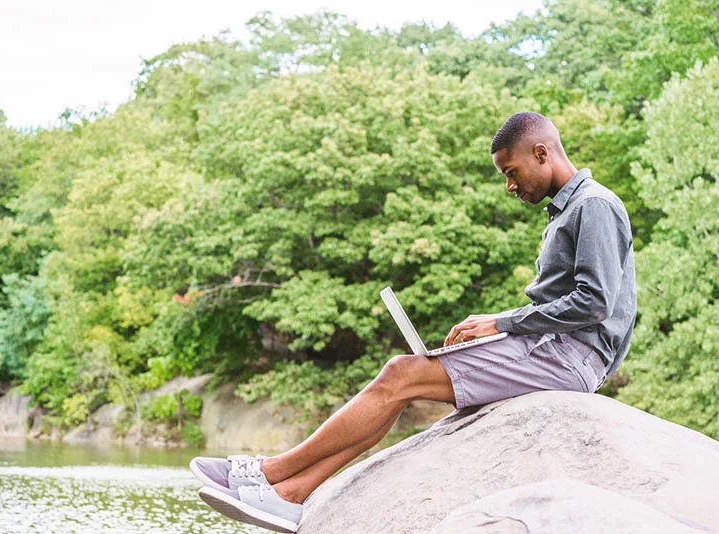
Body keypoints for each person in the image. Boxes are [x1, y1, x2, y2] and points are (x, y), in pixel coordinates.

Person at [190, 111, 637, 533]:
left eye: (511, 172)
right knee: (405, 380)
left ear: (542, 153)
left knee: (400, 374)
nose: (509, 185)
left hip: (569, 358)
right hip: (552, 350)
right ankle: (290, 495)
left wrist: (502, 323)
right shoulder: (567, 210)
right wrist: (502, 326)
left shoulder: (594, 205)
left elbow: (594, 302)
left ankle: (269, 472)